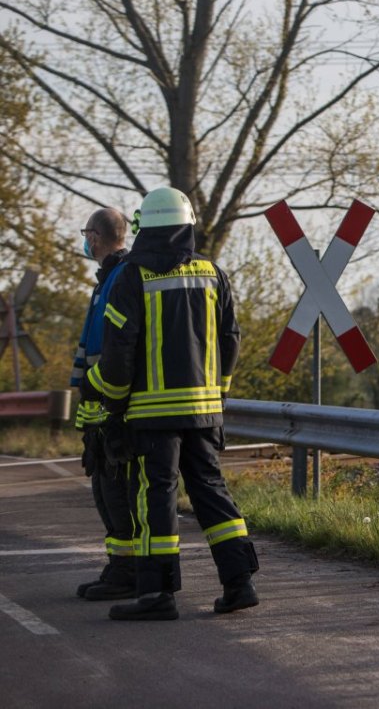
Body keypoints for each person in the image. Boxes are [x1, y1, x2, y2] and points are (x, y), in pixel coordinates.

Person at [87, 186, 259, 621]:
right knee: (211, 493)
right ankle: (239, 583)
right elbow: (231, 338)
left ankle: (157, 595)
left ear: (145, 229)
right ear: (186, 227)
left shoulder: (130, 277)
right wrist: (218, 393)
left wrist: (111, 405)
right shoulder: (212, 273)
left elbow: (118, 352)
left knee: (155, 498)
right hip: (203, 411)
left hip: (150, 415)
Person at [71, 208, 135, 601]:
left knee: (115, 493)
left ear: (95, 236)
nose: (85, 240)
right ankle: (119, 567)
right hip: (100, 407)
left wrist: (100, 396)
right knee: (105, 490)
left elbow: (114, 352)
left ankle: (126, 572)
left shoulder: (120, 278)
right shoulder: (108, 279)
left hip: (113, 408)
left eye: (86, 233)